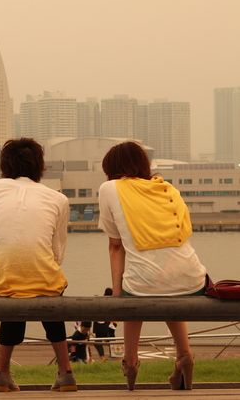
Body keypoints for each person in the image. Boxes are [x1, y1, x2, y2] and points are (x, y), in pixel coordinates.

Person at [99, 141, 207, 391]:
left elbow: (116, 246)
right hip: (192, 278)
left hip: (146, 283)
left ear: (111, 169)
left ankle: (131, 361)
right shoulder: (167, 188)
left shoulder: (109, 188)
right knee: (166, 285)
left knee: (133, 290)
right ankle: (184, 356)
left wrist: (117, 295)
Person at [0, 138, 76, 392]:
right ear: (40, 166)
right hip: (44, 277)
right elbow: (57, 251)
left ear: (5, 163)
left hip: (3, 277)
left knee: (12, 292)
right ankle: (66, 372)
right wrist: (45, 269)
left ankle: (1, 374)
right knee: (51, 293)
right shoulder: (58, 199)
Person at [92, 288, 116, 361]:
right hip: (108, 324)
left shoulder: (101, 301)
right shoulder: (113, 301)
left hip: (99, 326)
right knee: (110, 340)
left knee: (98, 342)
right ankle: (112, 354)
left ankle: (102, 356)